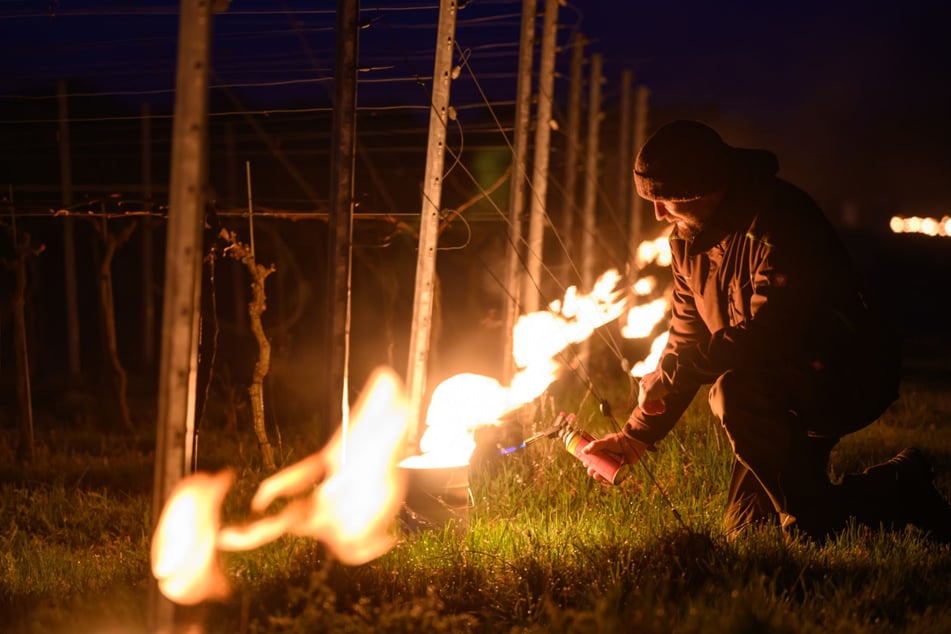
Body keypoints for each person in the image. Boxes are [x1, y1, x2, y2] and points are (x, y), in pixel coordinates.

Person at [583, 119, 951, 542]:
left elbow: (771, 336)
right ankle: (898, 486)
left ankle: (814, 524)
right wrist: (635, 437)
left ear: (702, 190)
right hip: (773, 387)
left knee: (731, 391)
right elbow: (687, 338)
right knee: (747, 532)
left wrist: (677, 371)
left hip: (841, 374)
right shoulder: (686, 241)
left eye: (665, 200)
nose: (658, 213)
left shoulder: (781, 221)